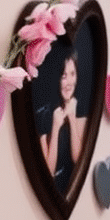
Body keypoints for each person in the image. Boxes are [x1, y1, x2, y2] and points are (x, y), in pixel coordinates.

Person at [40, 50, 86, 192]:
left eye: (73, 74)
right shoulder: (44, 114)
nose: (69, 82)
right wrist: (55, 128)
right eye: (64, 76)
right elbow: (49, 172)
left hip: (73, 189)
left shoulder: (81, 112)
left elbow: (78, 159)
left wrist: (71, 117)